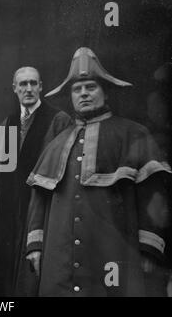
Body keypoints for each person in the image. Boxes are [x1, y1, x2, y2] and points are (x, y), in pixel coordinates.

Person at [24, 47, 171, 296]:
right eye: (77, 89)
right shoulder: (57, 142)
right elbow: (39, 200)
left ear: (105, 92)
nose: (83, 94)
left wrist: (149, 247)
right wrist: (35, 246)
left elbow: (153, 194)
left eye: (90, 87)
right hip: (59, 257)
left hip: (114, 253)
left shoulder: (133, 134)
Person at [0, 66, 70, 296]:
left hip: (40, 210)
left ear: (41, 87)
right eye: (23, 84)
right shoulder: (6, 123)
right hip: (8, 212)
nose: (28, 89)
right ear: (14, 88)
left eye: (33, 83)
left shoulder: (59, 120)